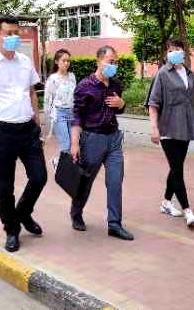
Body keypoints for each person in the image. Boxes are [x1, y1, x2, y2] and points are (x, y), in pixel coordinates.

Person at [0, 16, 47, 253]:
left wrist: (38, 123)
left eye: (17, 32)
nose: (14, 37)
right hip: (2, 132)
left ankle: (22, 213)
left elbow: (32, 92)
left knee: (39, 177)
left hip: (28, 130)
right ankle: (11, 229)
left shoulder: (25, 61)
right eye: (9, 33)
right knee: (5, 186)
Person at [147, 38, 194, 227]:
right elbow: (153, 104)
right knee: (177, 170)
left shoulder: (189, 74)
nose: (174, 52)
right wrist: (154, 128)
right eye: (170, 50)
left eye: (177, 49)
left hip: (185, 128)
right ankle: (187, 210)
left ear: (183, 52)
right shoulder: (162, 74)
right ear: (166, 54)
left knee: (175, 168)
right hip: (168, 129)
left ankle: (166, 202)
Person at [70, 45, 134, 241]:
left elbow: (119, 109)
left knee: (115, 181)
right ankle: (76, 212)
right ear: (98, 61)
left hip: (113, 138)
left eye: (115, 62)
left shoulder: (116, 84)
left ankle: (114, 224)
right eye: (110, 61)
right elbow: (77, 116)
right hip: (93, 139)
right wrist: (74, 144)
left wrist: (122, 104)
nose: (113, 65)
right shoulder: (84, 86)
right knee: (86, 180)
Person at [44, 49, 76, 165]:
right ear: (57, 62)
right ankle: (62, 166)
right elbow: (47, 99)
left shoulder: (72, 76)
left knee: (73, 143)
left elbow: (75, 95)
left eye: (68, 61)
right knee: (65, 144)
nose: (66, 63)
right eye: (63, 60)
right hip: (59, 114)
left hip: (71, 113)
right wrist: (49, 119)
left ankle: (59, 163)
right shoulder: (53, 79)